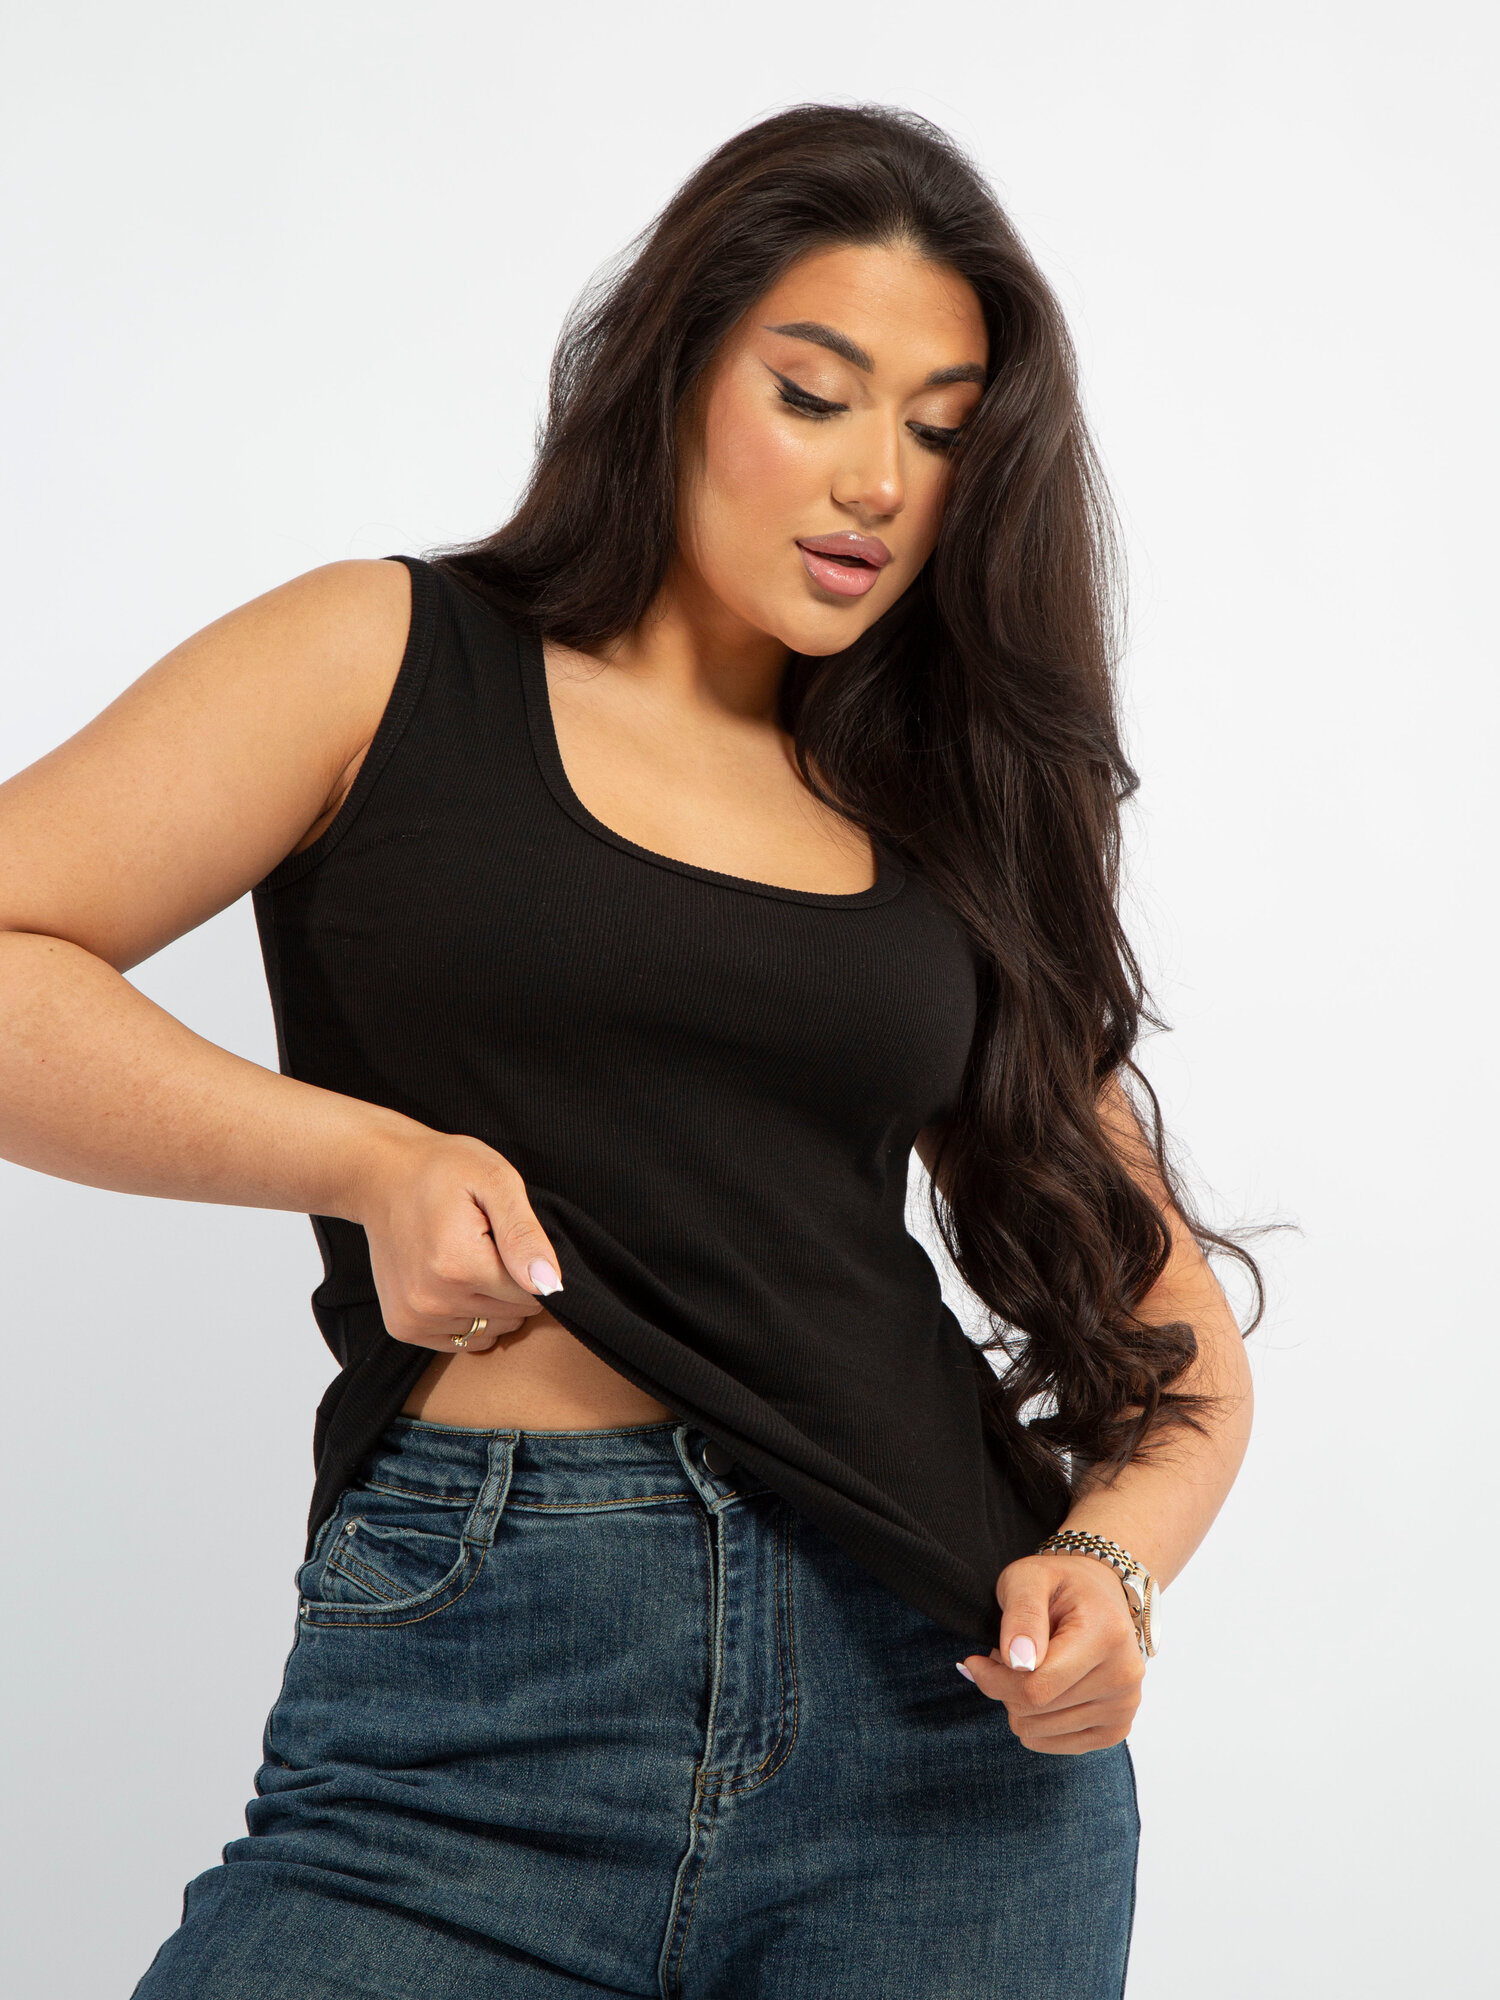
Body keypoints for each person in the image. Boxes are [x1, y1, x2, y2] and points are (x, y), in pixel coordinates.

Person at [0, 103, 1256, 1999]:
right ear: (674, 372)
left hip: (938, 1733)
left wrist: (1115, 1569)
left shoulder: (941, 805)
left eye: (941, 430)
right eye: (814, 394)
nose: (877, 482)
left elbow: (1170, 1333)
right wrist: (364, 1159)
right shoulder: (388, 658)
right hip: (480, 1700)